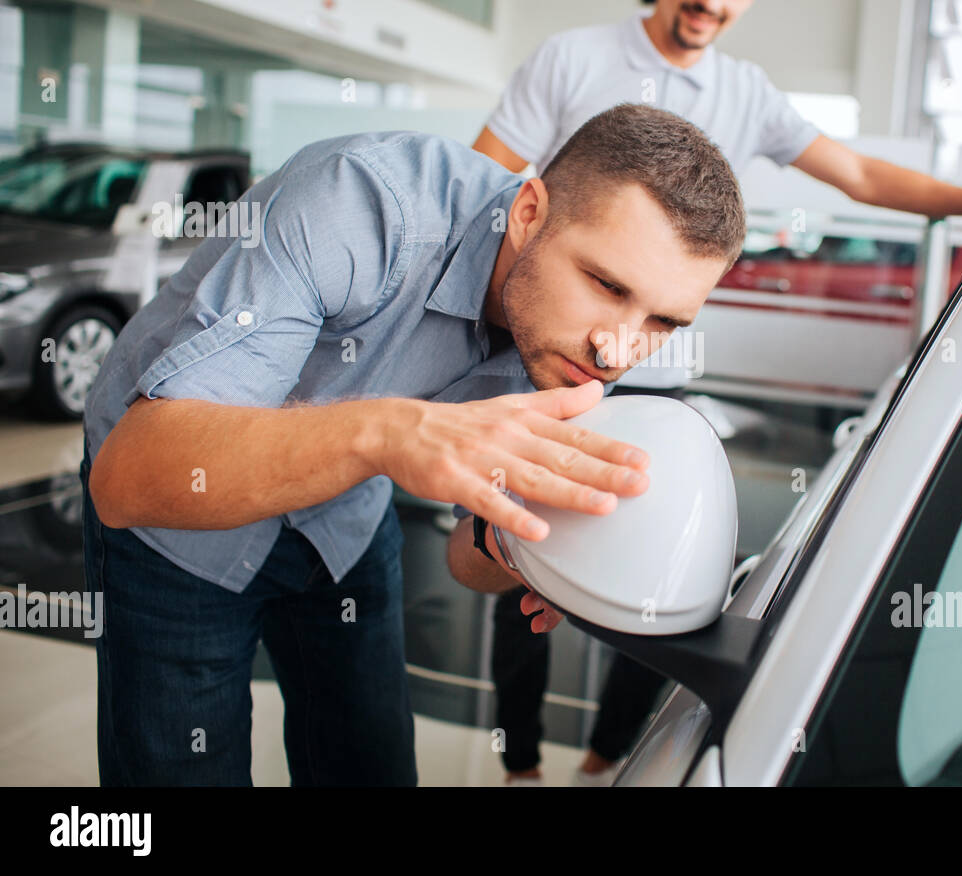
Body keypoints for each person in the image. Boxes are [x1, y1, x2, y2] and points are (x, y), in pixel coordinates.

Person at [472, 0, 962, 785]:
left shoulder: (747, 93)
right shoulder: (571, 58)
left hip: (659, 386)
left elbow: (861, 178)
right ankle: (518, 767)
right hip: (546, 363)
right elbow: (478, 178)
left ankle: (601, 763)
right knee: (517, 561)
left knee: (657, 576)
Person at [80, 103, 746, 785]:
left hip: (342, 516)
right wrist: (391, 434)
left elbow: (469, 557)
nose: (617, 350)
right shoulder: (359, 201)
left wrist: (522, 547)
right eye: (606, 285)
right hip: (174, 511)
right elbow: (127, 479)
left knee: (372, 765)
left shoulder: (575, 359)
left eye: (662, 321)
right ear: (527, 213)